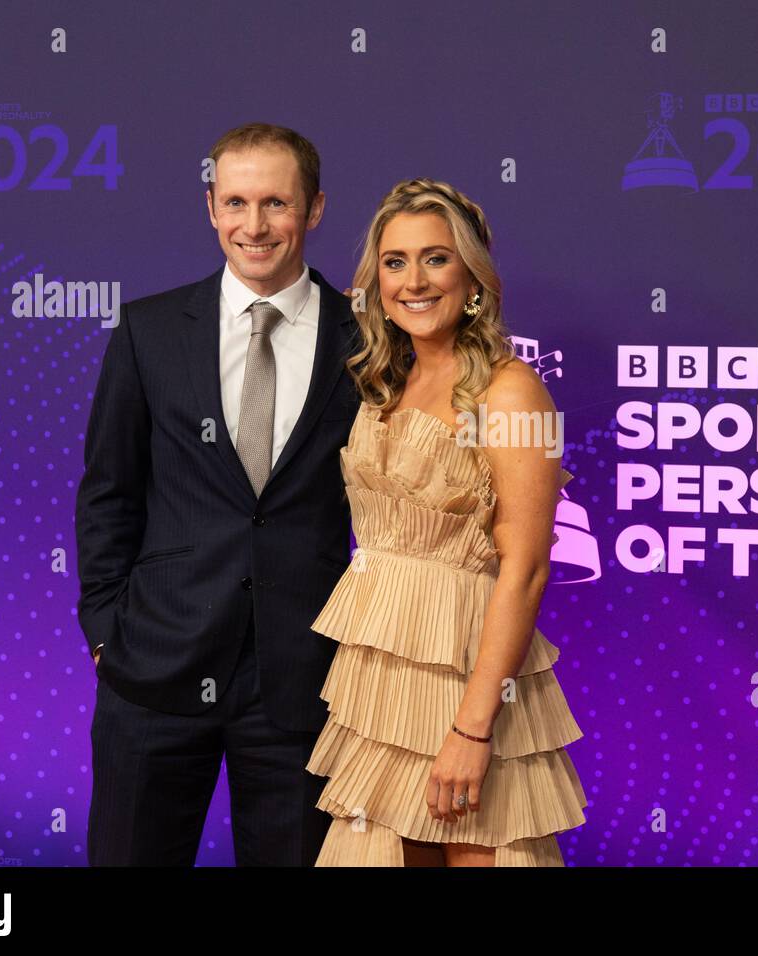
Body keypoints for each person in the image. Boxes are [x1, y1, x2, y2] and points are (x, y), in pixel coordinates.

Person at [76, 123, 362, 865]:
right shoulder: (150, 329)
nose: (255, 225)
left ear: (317, 207)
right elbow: (109, 491)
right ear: (211, 207)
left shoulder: (366, 338)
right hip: (155, 668)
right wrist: (107, 631)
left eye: (276, 203)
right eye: (235, 202)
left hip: (305, 679)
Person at [307, 178, 587, 866]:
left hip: (471, 684)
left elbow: (525, 568)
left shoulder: (514, 389)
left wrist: (472, 728)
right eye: (395, 262)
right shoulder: (383, 382)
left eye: (436, 258)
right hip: (378, 689)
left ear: (473, 277)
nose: (413, 280)